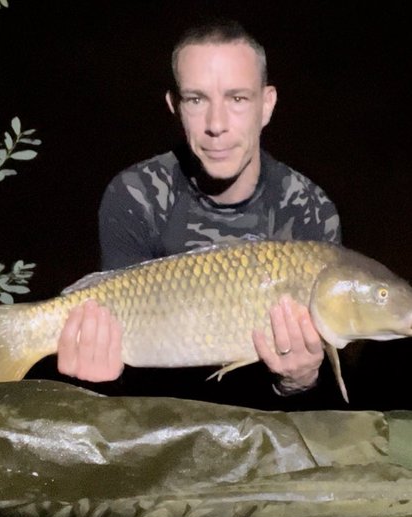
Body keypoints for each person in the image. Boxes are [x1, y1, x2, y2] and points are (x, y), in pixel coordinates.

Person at [56, 19, 341, 398]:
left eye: (237, 99)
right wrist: (95, 374)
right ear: (175, 107)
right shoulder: (136, 194)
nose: (216, 125)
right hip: (155, 412)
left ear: (267, 105)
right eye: (196, 100)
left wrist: (298, 380)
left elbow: (317, 406)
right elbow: (121, 338)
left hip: (260, 423)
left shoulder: (310, 210)